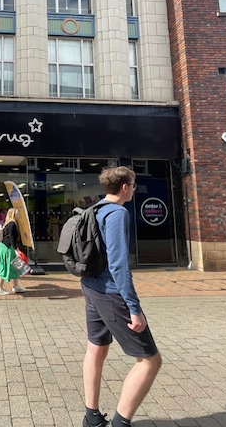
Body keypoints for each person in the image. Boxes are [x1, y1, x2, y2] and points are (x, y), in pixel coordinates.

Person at [81, 167, 162, 427]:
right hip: (111, 293)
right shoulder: (117, 213)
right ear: (125, 187)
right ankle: (120, 423)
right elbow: (118, 265)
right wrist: (134, 308)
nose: (134, 189)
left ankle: (91, 418)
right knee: (150, 360)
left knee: (96, 348)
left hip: (91, 287)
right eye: (134, 185)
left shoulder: (94, 209)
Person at [0, 207, 26, 295]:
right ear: (14, 214)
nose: (19, 215)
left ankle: (16, 286)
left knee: (15, 265)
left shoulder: (8, 223)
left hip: (4, 247)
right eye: (18, 213)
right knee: (6, 266)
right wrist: (16, 249)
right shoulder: (12, 224)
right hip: (8, 248)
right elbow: (11, 237)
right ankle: (0, 288)